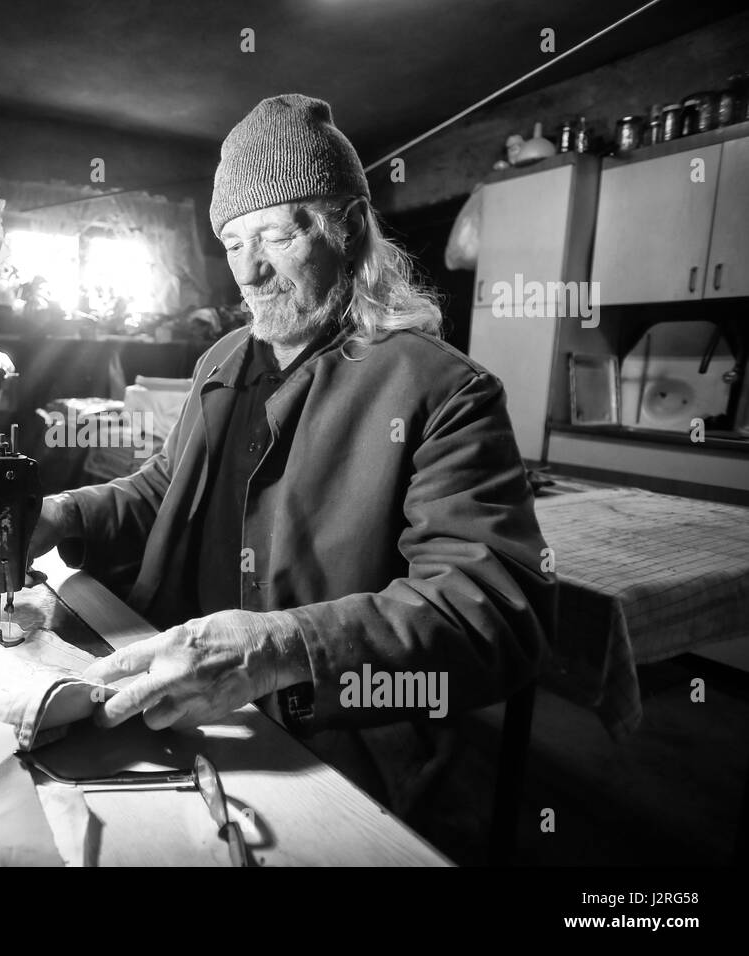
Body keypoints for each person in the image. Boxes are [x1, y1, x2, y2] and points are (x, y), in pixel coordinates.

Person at [28, 95, 555, 750]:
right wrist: (61, 515)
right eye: (232, 243)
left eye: (278, 236)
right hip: (172, 690)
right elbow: (166, 491)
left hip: (316, 739)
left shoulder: (441, 391)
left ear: (351, 228)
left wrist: (282, 650)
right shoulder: (222, 361)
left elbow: (498, 618)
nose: (250, 270)